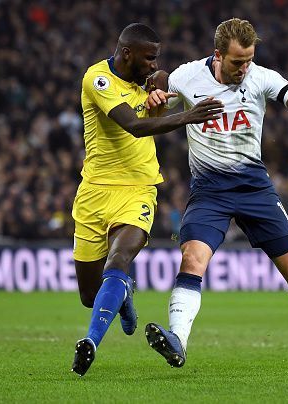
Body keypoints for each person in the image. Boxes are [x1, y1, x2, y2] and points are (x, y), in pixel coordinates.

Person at [144, 18, 288, 377]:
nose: (244, 68)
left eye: (248, 60)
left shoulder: (262, 78)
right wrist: (155, 99)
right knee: (192, 258)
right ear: (217, 55)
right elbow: (157, 111)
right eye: (236, 62)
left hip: (254, 189)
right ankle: (178, 340)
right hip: (209, 190)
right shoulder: (186, 77)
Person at [70, 23, 223, 376]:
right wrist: (187, 117)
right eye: (150, 58)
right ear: (127, 54)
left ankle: (90, 341)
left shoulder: (149, 83)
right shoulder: (98, 80)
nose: (155, 64)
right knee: (90, 297)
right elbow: (134, 126)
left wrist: (160, 89)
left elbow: (153, 106)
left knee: (120, 257)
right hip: (94, 192)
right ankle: (122, 295)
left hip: (139, 189)